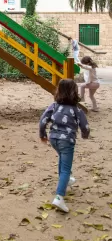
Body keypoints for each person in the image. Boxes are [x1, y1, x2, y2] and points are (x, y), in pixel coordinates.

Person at [39, 79, 90, 213]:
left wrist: (42, 134)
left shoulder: (54, 106)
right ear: (74, 92)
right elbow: (85, 126)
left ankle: (66, 180)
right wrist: (85, 135)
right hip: (67, 141)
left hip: (54, 139)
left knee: (62, 160)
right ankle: (59, 197)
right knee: (66, 168)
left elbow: (43, 120)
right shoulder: (77, 110)